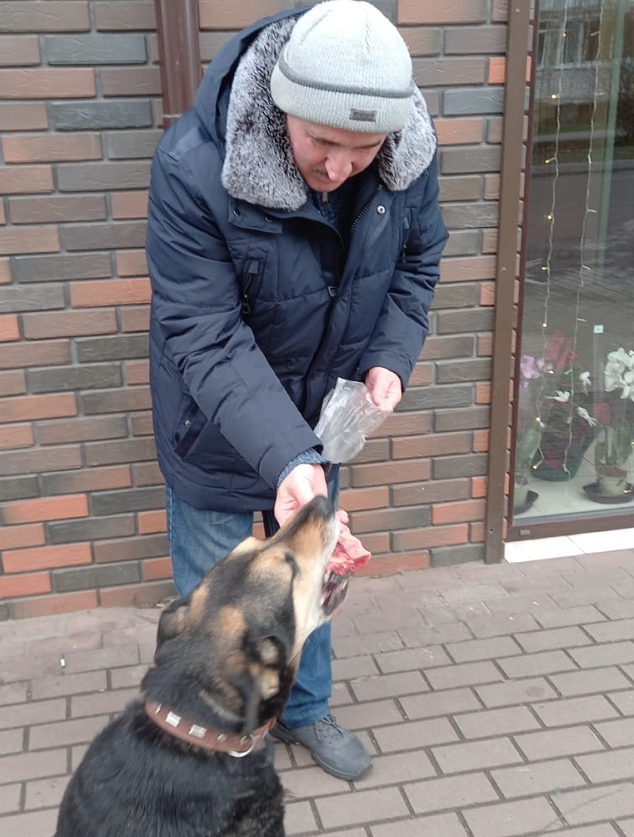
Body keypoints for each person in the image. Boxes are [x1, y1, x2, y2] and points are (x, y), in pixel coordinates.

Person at [145, 0, 448, 780]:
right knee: (219, 601)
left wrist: (390, 355)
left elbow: (417, 265)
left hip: (320, 419)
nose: (339, 167)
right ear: (281, 107)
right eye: (320, 141)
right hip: (211, 422)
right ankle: (219, 738)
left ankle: (306, 709)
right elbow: (204, 331)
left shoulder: (408, 159)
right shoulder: (193, 167)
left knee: (310, 578)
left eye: (362, 148)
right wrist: (287, 457)